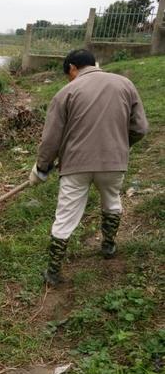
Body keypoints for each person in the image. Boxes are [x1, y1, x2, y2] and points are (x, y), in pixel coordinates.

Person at [29, 49, 149, 286]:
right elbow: (141, 128)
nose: (69, 78)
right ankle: (108, 246)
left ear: (73, 67)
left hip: (76, 165)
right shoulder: (125, 84)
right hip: (114, 163)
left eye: (68, 74)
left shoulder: (66, 92)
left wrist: (41, 168)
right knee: (112, 201)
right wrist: (123, 146)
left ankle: (53, 272)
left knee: (65, 217)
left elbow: (51, 139)